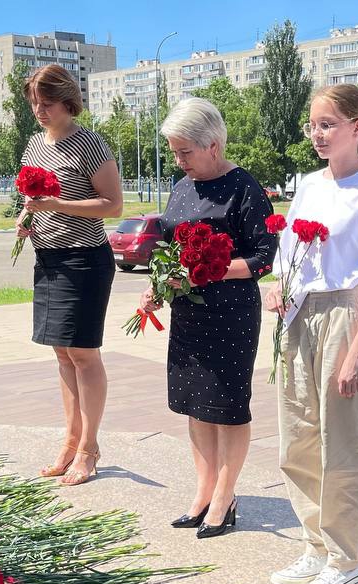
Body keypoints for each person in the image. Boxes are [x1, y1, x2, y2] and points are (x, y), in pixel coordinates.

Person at [263, 85, 358, 584]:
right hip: (300, 315)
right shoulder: (307, 184)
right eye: (313, 124)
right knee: (298, 437)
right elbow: (288, 251)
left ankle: (346, 557)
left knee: (345, 442)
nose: (318, 134)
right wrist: (278, 283)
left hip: (348, 312)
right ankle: (315, 546)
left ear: (357, 127)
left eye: (328, 124)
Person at [139, 98, 277, 539]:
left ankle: (226, 494)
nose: (179, 162)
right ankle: (203, 491)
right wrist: (159, 286)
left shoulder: (244, 188)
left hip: (231, 313)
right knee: (196, 405)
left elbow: (263, 257)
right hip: (188, 314)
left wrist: (210, 268)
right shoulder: (183, 187)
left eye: (185, 153)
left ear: (213, 145)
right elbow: (167, 246)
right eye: (176, 152)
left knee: (228, 407)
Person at [16, 64, 123, 486]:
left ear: (67, 101)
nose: (39, 111)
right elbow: (29, 198)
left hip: (84, 260)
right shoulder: (34, 144)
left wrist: (55, 206)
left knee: (83, 353)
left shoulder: (89, 144)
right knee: (61, 353)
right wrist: (25, 219)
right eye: (34, 104)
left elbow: (113, 205)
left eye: (47, 103)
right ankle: (70, 440)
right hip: (48, 259)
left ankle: (89, 447)